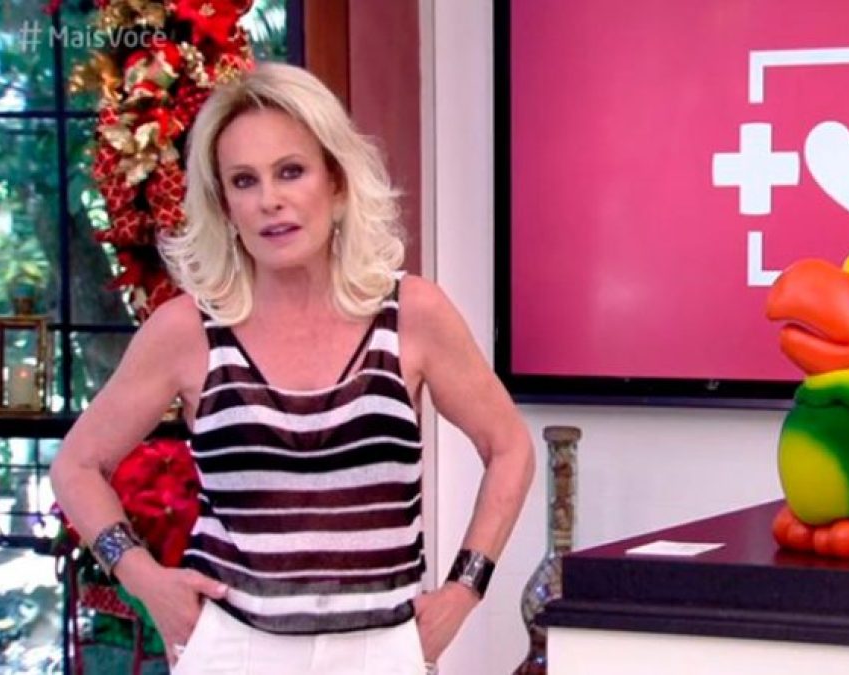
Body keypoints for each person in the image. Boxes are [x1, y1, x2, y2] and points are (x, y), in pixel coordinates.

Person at [50, 62, 535, 674]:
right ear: (224, 205)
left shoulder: (413, 314)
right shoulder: (186, 331)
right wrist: (145, 578)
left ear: (336, 181)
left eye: (291, 171)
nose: (269, 200)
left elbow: (510, 447)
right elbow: (76, 466)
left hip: (382, 650)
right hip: (233, 649)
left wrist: (465, 588)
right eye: (244, 181)